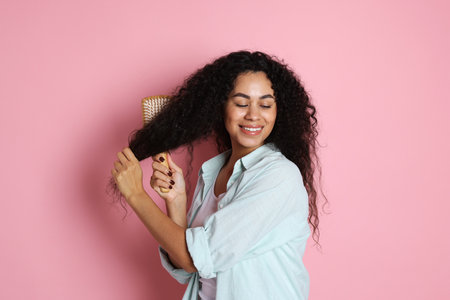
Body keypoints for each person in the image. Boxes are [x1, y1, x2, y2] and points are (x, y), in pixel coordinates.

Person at [108, 50, 326, 300]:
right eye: (242, 103)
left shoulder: (279, 177)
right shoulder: (213, 173)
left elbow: (194, 258)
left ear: (279, 112)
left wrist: (136, 194)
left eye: (265, 104)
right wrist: (177, 202)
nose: (254, 115)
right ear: (221, 107)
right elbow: (190, 269)